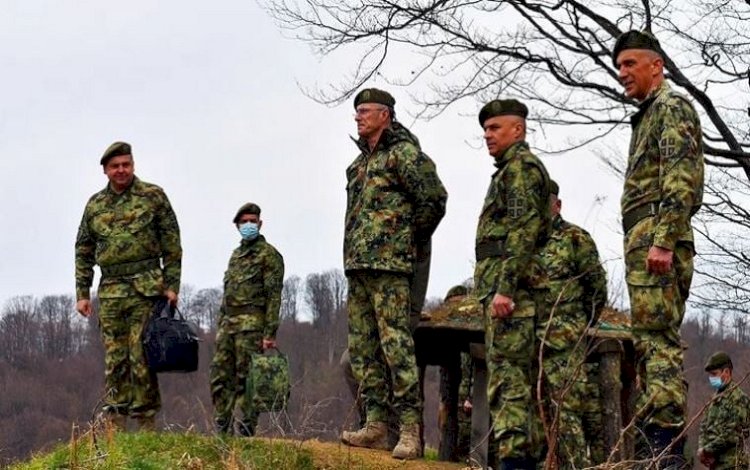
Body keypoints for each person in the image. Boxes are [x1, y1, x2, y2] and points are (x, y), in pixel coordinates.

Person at [613, 30, 705, 464]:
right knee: (649, 345)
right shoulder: (649, 114)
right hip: (645, 240)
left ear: (657, 66)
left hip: (657, 241)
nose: (622, 73)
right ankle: (657, 450)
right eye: (619, 66)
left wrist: (664, 240)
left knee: (658, 344)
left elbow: (681, 178)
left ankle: (666, 454)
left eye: (631, 64)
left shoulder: (670, 107)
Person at [341, 87, 447, 460]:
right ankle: (376, 424)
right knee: (363, 349)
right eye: (357, 111)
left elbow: (434, 199)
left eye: (365, 110)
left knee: (395, 346)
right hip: (358, 268)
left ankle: (410, 431)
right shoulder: (358, 166)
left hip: (391, 267)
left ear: (385, 115)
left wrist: (409, 240)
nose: (358, 117)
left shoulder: (404, 155)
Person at [75, 141, 182, 431]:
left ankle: (147, 426)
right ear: (106, 171)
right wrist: (82, 293)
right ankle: (115, 427)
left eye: (126, 164)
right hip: (110, 292)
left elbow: (172, 242)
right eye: (115, 166)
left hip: (146, 288)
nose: (121, 170)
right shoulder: (95, 205)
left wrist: (172, 285)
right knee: (115, 359)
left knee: (142, 356)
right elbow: (84, 249)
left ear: (133, 165)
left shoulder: (153, 196)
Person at [474, 99, 552, 470]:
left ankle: (515, 463)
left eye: (495, 128)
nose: (487, 136)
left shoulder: (520, 168)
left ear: (517, 129)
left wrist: (505, 288)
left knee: (509, 383)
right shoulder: (508, 170)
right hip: (502, 289)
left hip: (512, 295)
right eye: (485, 129)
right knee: (511, 379)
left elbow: (522, 232)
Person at [536, 180, 608, 468]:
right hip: (529, 343)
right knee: (532, 417)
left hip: (565, 343)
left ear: (557, 205)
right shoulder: (523, 241)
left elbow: (596, 288)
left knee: (566, 416)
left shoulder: (576, 239)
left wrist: (577, 325)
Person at [210, 202, 284, 436]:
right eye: (244, 222)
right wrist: (221, 324)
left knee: (248, 379)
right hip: (229, 326)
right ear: (237, 226)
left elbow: (274, 296)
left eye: (253, 221)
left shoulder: (269, 255)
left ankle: (247, 429)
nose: (249, 225)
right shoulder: (236, 256)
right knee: (220, 376)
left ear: (260, 224)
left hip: (252, 327)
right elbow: (227, 292)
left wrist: (269, 333)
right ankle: (222, 428)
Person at [698, 351, 750, 470]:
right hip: (714, 464)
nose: (711, 378)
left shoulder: (738, 399)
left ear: (726, 372)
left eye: (714, 374)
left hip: (732, 464)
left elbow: (733, 433)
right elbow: (703, 425)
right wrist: (702, 449)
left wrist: (707, 450)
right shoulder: (714, 398)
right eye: (710, 375)